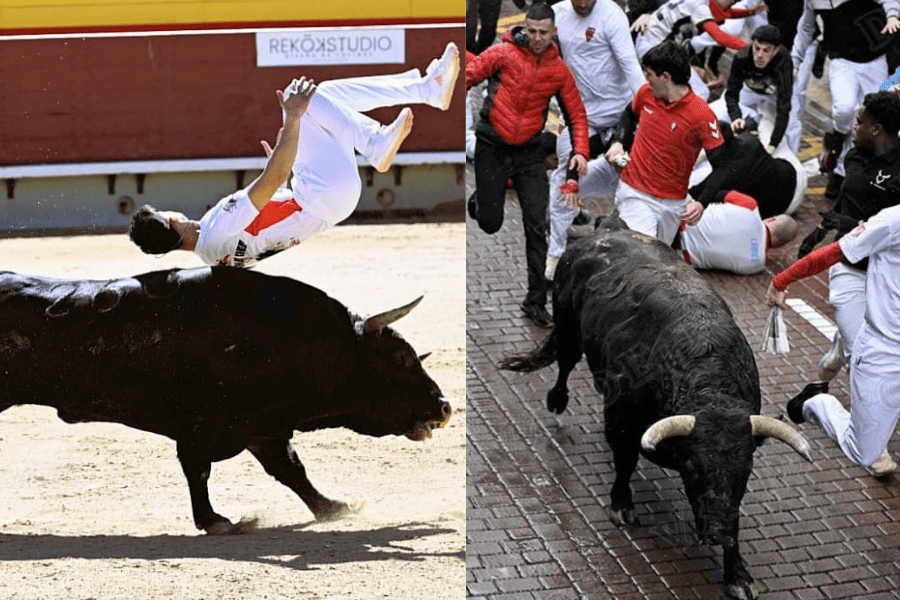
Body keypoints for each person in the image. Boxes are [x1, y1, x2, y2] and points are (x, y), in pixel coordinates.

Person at [129, 43, 460, 268]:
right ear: (171, 219)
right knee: (296, 97)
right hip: (320, 195)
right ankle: (377, 139)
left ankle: (424, 91)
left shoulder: (213, 254)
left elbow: (271, 210)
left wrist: (286, 158)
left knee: (326, 94)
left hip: (322, 200)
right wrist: (290, 120)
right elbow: (271, 181)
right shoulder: (216, 226)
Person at [467, 2, 590, 328]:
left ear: (553, 32)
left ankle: (535, 301)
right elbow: (469, 75)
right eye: (531, 31)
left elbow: (577, 115)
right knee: (490, 222)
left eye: (542, 33)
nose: (536, 38)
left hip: (529, 155)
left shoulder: (559, 70)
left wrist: (580, 152)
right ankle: (479, 201)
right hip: (492, 146)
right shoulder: (502, 54)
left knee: (537, 226)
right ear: (524, 28)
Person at [765, 203, 900, 477]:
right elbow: (833, 254)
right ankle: (814, 402)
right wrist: (781, 280)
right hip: (883, 354)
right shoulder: (892, 221)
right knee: (864, 452)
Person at [794, 91, 900, 382]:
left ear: (876, 129)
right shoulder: (853, 155)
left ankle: (840, 350)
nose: (854, 127)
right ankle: (826, 407)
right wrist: (820, 230)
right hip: (849, 269)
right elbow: (844, 198)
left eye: (859, 122)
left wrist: (851, 222)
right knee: (864, 359)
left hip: (887, 271)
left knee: (883, 345)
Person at [544, 0, 645, 281]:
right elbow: (533, 38)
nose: (583, 3)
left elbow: (629, 64)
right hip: (579, 113)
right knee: (563, 177)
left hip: (619, 112)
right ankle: (554, 253)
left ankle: (628, 242)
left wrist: (647, 107)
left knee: (630, 176)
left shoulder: (611, 16)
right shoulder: (558, 13)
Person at [604, 41, 727, 246]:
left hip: (672, 204)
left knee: (657, 262)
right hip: (635, 193)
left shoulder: (702, 115)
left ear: (666, 77)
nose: (646, 81)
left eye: (649, 75)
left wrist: (701, 203)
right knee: (642, 254)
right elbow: (628, 114)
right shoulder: (646, 94)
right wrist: (618, 142)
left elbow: (722, 166)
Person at [791, 0, 900, 202]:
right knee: (844, 109)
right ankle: (837, 140)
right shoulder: (813, 1)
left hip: (875, 62)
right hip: (841, 62)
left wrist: (892, 15)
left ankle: (841, 173)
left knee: (871, 120)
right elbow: (806, 28)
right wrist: (795, 61)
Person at [633, 0, 766, 101]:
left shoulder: (704, 3)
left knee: (683, 86)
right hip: (654, 49)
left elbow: (726, 13)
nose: (731, 2)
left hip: (656, 45)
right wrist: (753, 49)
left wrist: (750, 12)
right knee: (701, 93)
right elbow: (720, 37)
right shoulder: (700, 6)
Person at [689, 120, 806, 219]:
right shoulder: (750, 140)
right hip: (796, 177)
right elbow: (749, 125)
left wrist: (699, 158)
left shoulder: (722, 175)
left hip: (781, 211)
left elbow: (693, 194)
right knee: (767, 123)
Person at [677, 190, 798, 274]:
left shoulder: (750, 206)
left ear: (772, 219)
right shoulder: (757, 263)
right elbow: (754, 244)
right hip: (677, 255)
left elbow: (716, 193)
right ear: (779, 245)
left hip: (677, 219)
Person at [715, 24, 793, 154]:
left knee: (786, 134)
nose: (760, 55)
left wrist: (773, 144)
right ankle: (750, 119)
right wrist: (736, 117)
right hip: (749, 89)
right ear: (752, 44)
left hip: (774, 93)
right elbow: (731, 93)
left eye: (766, 50)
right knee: (717, 110)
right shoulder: (742, 57)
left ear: (775, 51)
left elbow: (784, 107)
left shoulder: (784, 63)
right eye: (757, 48)